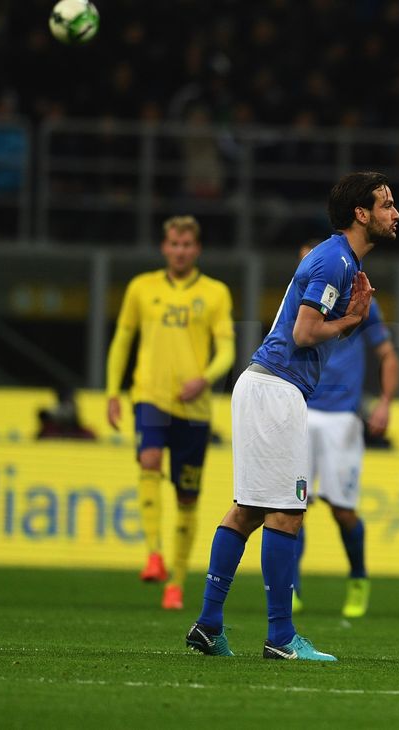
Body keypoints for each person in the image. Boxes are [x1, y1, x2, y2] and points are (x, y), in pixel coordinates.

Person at [186, 171, 393, 661]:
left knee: (251, 509)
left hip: (268, 386)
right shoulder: (335, 261)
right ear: (361, 214)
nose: (395, 212)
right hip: (275, 389)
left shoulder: (336, 259)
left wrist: (349, 322)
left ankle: (209, 625)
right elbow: (304, 333)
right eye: (386, 204)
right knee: (287, 512)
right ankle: (280, 637)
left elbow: (313, 331)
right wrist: (352, 320)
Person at [105, 215, 235, 611]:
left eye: (186, 245)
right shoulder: (141, 288)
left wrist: (205, 378)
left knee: (187, 497)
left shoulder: (215, 293)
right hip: (151, 396)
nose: (179, 251)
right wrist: (113, 391)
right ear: (165, 248)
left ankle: (176, 582)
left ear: (196, 250)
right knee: (148, 459)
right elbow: (123, 339)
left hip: (193, 408)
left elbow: (227, 348)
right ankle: (153, 554)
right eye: (173, 245)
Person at [293, 241, 399, 619]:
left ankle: (358, 576)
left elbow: (387, 354)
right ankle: (292, 585)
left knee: (341, 510)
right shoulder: (299, 301)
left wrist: (385, 402)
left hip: (342, 416)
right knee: (294, 504)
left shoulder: (357, 297)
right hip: (301, 409)